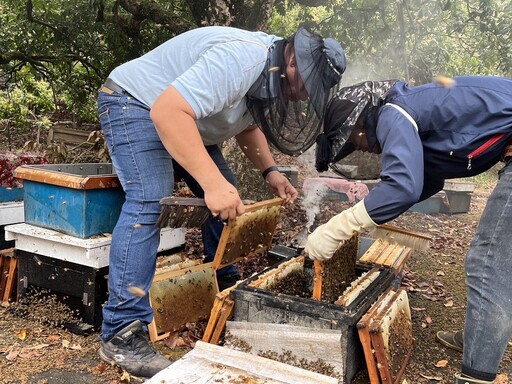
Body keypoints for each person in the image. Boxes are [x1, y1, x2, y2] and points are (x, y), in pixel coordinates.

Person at [97, 25, 346, 378]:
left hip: (187, 119)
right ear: (293, 64)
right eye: (306, 88)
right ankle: (121, 333)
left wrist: (270, 171)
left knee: (229, 198)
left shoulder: (269, 76)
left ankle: (225, 286)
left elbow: (246, 126)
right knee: (150, 200)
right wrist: (210, 184)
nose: (302, 98)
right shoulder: (240, 59)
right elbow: (168, 112)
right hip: (138, 103)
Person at [305, 77, 512, 384]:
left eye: (355, 141)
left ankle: (476, 377)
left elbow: (403, 187)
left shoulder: (394, 111)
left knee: (487, 263)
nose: (361, 148)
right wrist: (375, 207)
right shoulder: (411, 108)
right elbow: (427, 180)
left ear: (361, 124)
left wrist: (339, 227)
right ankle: (481, 335)